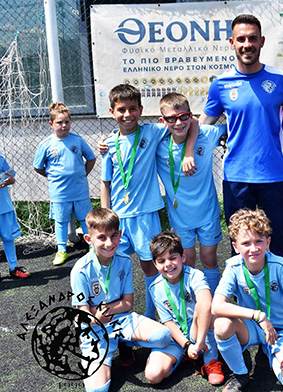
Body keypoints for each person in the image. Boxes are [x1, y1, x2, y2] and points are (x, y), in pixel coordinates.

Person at [193, 14, 283, 268]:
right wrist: (171, 137)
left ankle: (281, 292)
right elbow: (202, 126)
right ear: (232, 42)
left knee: (278, 243)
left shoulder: (281, 79)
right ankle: (243, 292)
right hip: (236, 177)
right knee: (240, 244)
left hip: (273, 176)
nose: (247, 45)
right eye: (241, 39)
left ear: (262, 41)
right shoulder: (221, 84)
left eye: (253, 39)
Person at [100, 84, 196, 318]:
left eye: (132, 108)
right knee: (112, 263)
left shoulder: (152, 132)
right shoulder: (108, 144)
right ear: (112, 112)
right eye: (121, 109)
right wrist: (104, 217)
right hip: (118, 217)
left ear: (141, 110)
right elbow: (105, 183)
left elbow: (191, 122)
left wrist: (190, 151)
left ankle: (155, 313)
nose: (127, 114)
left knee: (150, 264)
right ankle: (115, 311)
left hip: (146, 215)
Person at [70, 208, 172, 392]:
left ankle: (124, 342)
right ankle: (104, 354)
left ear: (120, 234)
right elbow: (82, 314)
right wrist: (96, 317)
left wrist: (102, 310)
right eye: (101, 237)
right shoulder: (80, 270)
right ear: (88, 239)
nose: (109, 243)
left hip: (121, 319)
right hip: (95, 329)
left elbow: (128, 303)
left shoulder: (124, 260)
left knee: (164, 336)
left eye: (113, 236)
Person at [212, 208, 283, 392]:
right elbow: (216, 306)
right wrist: (258, 316)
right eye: (246, 243)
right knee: (221, 324)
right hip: (253, 326)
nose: (253, 248)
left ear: (268, 243)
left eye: (258, 241)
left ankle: (271, 350)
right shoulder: (233, 267)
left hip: (281, 330)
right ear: (235, 246)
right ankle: (240, 374)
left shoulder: (280, 266)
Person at [156, 92, 224, 294]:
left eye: (183, 116)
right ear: (162, 121)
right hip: (180, 218)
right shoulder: (158, 145)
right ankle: (191, 302)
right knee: (187, 261)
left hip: (208, 213)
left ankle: (214, 303)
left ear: (190, 116)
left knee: (209, 259)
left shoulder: (206, 135)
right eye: (171, 119)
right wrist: (105, 144)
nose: (178, 123)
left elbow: (236, 126)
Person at [147, 231, 225, 385]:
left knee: (207, 309)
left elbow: (206, 304)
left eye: (172, 258)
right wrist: (187, 345)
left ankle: (211, 361)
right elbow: (168, 322)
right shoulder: (155, 288)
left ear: (183, 257)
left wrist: (199, 341)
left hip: (199, 330)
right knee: (153, 376)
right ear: (155, 264)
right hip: (177, 337)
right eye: (161, 261)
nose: (168, 264)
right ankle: (183, 355)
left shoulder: (195, 276)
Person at [33, 102, 96, 266]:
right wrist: (53, 177)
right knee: (61, 221)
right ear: (51, 124)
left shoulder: (77, 140)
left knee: (85, 218)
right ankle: (61, 250)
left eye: (66, 122)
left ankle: (92, 246)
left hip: (80, 190)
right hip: (59, 192)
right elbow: (38, 167)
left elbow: (91, 158)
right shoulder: (46, 144)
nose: (63, 125)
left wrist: (82, 174)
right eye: (59, 122)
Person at [0, 149, 29, 279]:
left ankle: (13, 268)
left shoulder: (0, 159)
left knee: (8, 237)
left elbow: (10, 176)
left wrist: (10, 180)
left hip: (4, 206)